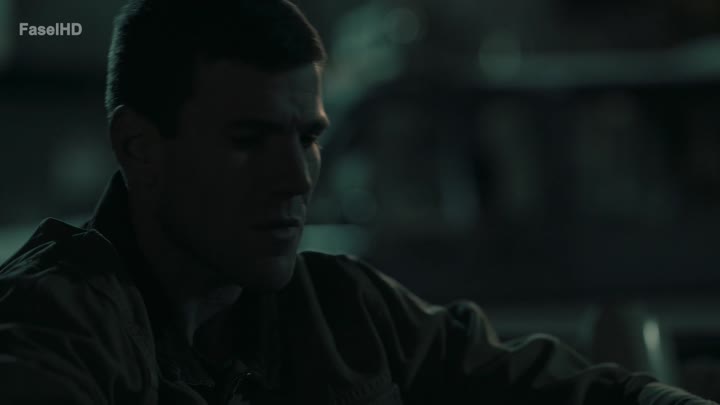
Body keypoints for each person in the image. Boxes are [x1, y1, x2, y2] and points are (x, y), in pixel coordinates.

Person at [0, 0, 715, 403]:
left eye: (308, 138)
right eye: (249, 139)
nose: (295, 177)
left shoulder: (345, 307)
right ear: (139, 147)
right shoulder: (55, 322)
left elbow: (552, 389)